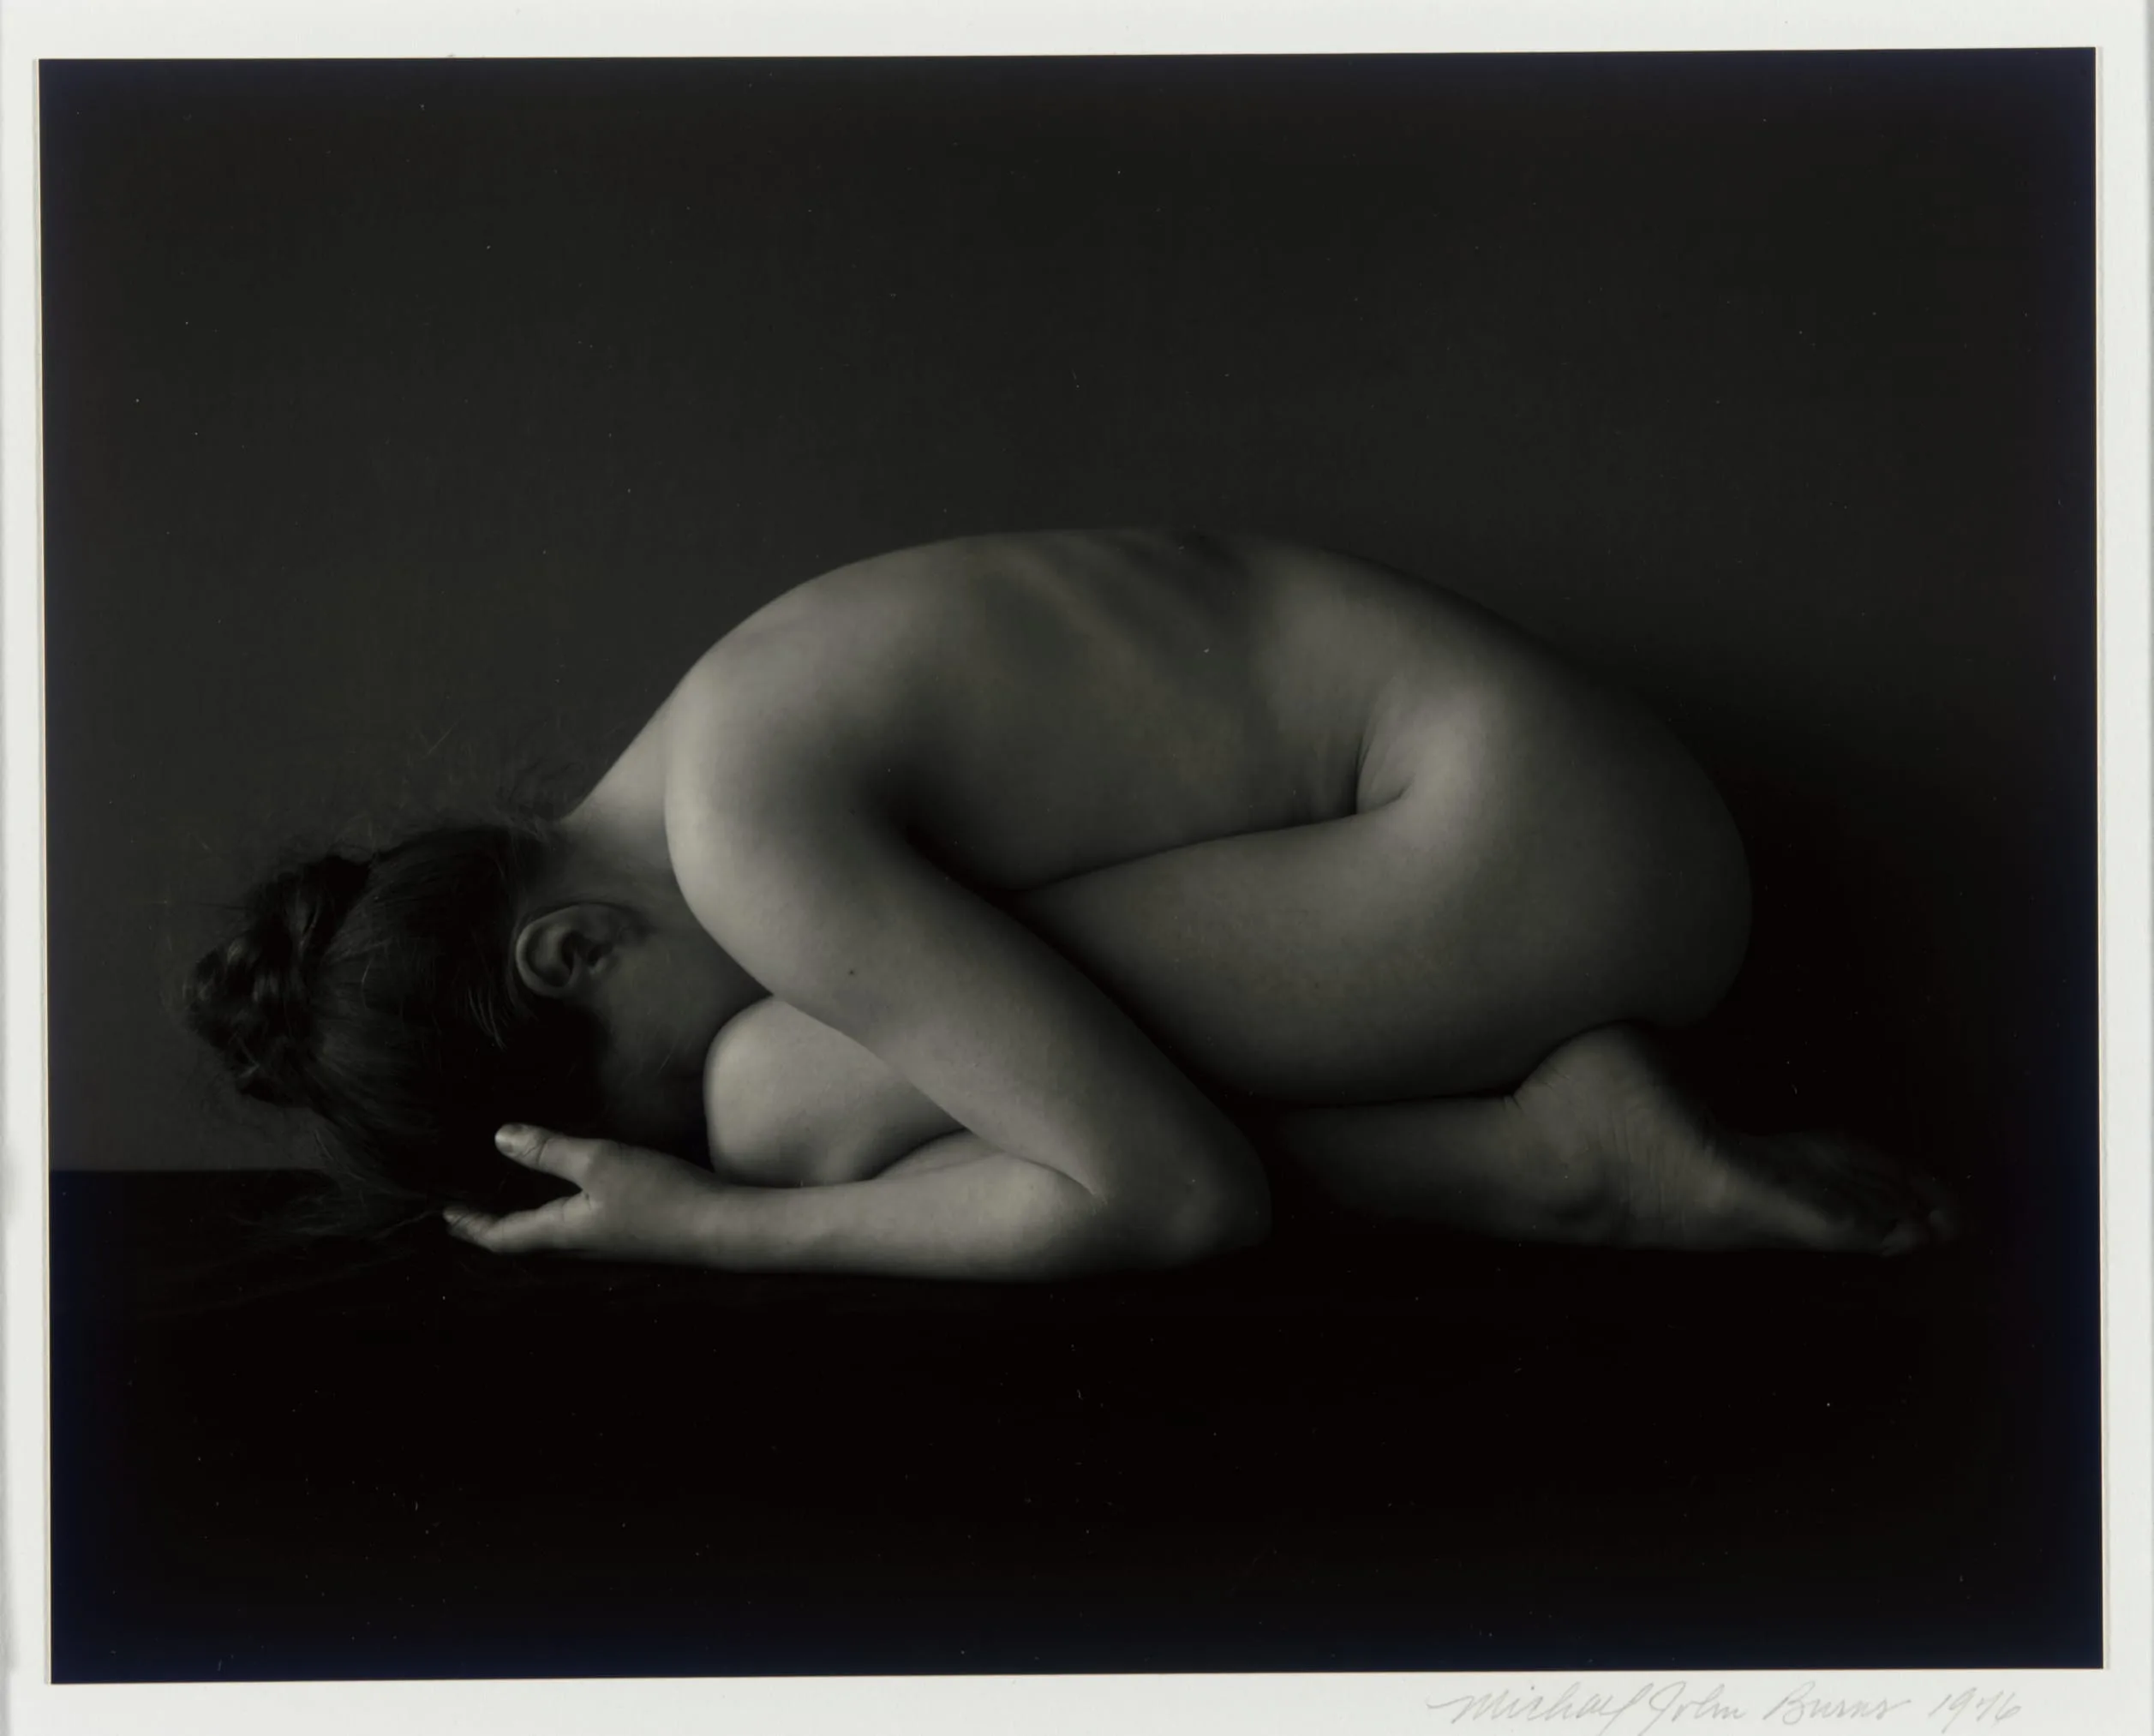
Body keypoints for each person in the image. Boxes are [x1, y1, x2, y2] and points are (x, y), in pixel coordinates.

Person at [186, 530, 1960, 1280]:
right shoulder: (720, 715)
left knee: (784, 1096)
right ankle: (1560, 1144)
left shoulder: (740, 830)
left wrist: (715, 1213)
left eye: (648, 1080)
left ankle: (1549, 1164)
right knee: (1013, 1065)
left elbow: (1168, 1195)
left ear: (575, 948)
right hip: (1578, 829)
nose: (690, 1092)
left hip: (1540, 854)